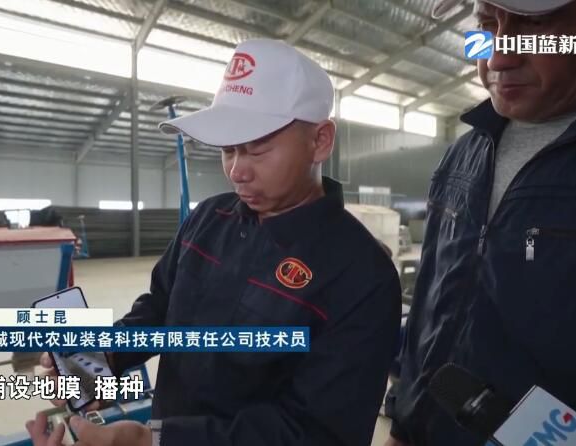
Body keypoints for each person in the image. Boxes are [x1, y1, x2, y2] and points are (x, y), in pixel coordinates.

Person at [27, 38, 402, 446]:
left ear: (320, 140)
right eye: (228, 150)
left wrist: (155, 440)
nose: (237, 171)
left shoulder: (362, 276)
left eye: (257, 149)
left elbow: (318, 432)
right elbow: (159, 308)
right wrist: (103, 357)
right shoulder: (209, 218)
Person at [385, 0, 576, 445]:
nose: (497, 58)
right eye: (487, 24)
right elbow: (428, 306)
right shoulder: (465, 153)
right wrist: (403, 418)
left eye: (535, 26)